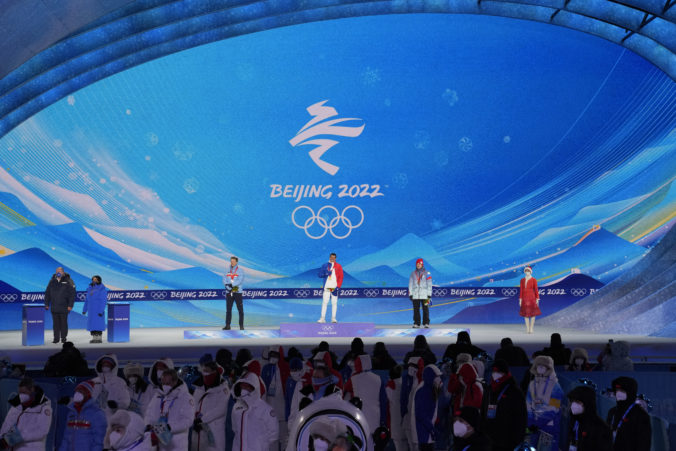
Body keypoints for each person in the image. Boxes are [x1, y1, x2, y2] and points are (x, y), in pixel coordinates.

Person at [144, 368, 194, 450]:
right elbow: (149, 413)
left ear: (175, 381)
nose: (165, 386)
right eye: (163, 383)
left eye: (168, 383)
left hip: (177, 444)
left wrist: (169, 427)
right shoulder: (157, 396)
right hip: (159, 443)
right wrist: (148, 425)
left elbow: (188, 420)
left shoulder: (185, 397)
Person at [483, 359, 527, 451]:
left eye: (498, 371)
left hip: (507, 439)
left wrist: (517, 438)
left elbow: (521, 416)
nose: (495, 374)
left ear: (505, 373)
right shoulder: (489, 389)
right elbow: (483, 409)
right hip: (490, 437)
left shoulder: (514, 391)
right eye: (494, 371)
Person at [0, 377, 52, 451]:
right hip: (14, 448)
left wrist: (11, 439)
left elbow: (41, 431)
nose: (21, 396)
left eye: (24, 393)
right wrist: (2, 438)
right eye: (20, 393)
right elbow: (8, 423)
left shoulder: (44, 407)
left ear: (32, 390)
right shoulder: (17, 403)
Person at [231, 371, 278, 451]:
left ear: (254, 387)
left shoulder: (265, 409)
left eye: (247, 386)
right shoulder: (236, 407)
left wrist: (261, 445)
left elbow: (273, 434)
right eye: (242, 386)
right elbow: (235, 429)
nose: (244, 390)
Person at [342, 354, 386, 438]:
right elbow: (383, 402)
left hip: (358, 419)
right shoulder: (378, 379)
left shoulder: (353, 379)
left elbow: (343, 394)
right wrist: (383, 421)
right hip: (375, 420)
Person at [191, 355, 230, 451]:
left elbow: (221, 409)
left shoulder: (223, 389)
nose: (205, 374)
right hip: (198, 432)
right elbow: (193, 405)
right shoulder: (199, 388)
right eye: (204, 371)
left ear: (215, 372)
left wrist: (203, 419)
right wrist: (194, 417)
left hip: (213, 432)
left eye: (208, 371)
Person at [525, 356, 563, 450]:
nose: (540, 368)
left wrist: (538, 423)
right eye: (538, 365)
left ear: (548, 368)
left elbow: (554, 409)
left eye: (543, 366)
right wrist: (530, 422)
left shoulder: (555, 386)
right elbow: (528, 404)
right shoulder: (531, 384)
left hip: (549, 427)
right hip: (533, 427)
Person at [60, 380, 107, 451]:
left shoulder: (96, 413)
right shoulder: (71, 413)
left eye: (81, 391)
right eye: (77, 391)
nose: (77, 394)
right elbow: (66, 439)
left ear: (88, 394)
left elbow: (99, 441)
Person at [606, 377, 651, 451]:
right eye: (617, 391)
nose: (618, 393)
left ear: (630, 392)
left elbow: (644, 443)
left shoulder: (640, 414)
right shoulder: (612, 412)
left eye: (622, 391)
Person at [261, 346, 290, 450]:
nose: (273, 357)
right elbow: (263, 390)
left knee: (284, 439)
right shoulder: (266, 368)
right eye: (271, 355)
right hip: (270, 411)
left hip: (283, 411)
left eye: (275, 355)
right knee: (272, 439)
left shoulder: (286, 368)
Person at [566, 385, 612, 451]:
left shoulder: (602, 429)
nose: (573, 405)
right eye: (572, 401)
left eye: (578, 402)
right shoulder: (574, 420)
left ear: (587, 404)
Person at [412, 364, 442, 451]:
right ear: (430, 376)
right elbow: (420, 414)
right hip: (424, 433)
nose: (439, 379)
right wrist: (432, 429)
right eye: (437, 376)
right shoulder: (423, 391)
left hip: (427, 432)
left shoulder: (430, 390)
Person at [44, 266, 76, 344]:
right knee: (55, 324)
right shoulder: (52, 281)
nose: (58, 272)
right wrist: (47, 304)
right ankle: (56, 338)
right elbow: (47, 293)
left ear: (63, 272)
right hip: (54, 307)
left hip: (64, 306)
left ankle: (64, 338)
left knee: (63, 323)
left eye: (60, 271)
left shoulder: (69, 281)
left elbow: (72, 294)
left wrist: (70, 305)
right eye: (57, 271)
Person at [94, 354, 131, 418]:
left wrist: (116, 406)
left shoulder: (120, 382)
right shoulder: (94, 382)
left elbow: (125, 401)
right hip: (95, 417)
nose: (105, 366)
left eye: (108, 364)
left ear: (113, 367)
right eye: (104, 364)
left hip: (112, 418)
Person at [317, 252, 343, 323]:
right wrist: (325, 274)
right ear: (329, 257)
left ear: (335, 258)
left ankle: (333, 318)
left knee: (334, 303)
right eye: (331, 257)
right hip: (327, 288)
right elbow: (319, 275)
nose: (332, 258)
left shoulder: (338, 266)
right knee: (325, 303)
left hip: (334, 288)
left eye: (334, 257)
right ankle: (322, 318)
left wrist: (338, 287)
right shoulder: (325, 265)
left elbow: (341, 277)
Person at [385, 366, 406, 451]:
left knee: (399, 445)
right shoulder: (404, 383)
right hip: (406, 419)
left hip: (395, 420)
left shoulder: (390, 386)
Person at [408, 258, 432, 328]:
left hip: (425, 294)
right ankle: (417, 323)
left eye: (419, 264)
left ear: (422, 264)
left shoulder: (427, 273)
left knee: (426, 309)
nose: (418, 265)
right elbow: (410, 284)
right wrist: (410, 294)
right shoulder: (413, 273)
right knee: (416, 310)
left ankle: (426, 323)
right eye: (417, 264)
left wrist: (429, 294)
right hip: (415, 295)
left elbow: (429, 284)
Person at [83, 275, 108, 343]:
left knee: (98, 324)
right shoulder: (89, 288)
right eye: (93, 279)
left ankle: (99, 338)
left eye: (96, 279)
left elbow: (103, 301)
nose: (94, 281)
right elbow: (87, 300)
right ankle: (94, 338)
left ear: (99, 280)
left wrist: (101, 311)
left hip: (98, 310)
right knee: (92, 325)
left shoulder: (102, 289)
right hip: (91, 311)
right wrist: (84, 310)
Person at [223, 256, 245, 330]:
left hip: (237, 292)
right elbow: (224, 279)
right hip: (229, 292)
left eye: (233, 261)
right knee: (228, 310)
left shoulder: (240, 271)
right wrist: (227, 286)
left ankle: (241, 326)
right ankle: (227, 325)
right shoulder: (227, 270)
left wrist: (232, 285)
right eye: (231, 261)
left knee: (240, 310)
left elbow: (240, 280)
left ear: (236, 262)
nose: (232, 262)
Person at [518, 266, 540, 334]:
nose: (527, 272)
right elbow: (521, 290)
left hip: (532, 297)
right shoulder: (522, 280)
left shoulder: (534, 280)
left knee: (533, 314)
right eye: (526, 271)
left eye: (528, 271)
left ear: (530, 271)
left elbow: (536, 290)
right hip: (524, 298)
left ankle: (531, 328)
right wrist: (520, 299)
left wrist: (537, 299)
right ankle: (527, 328)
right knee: (525, 314)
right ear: (524, 272)